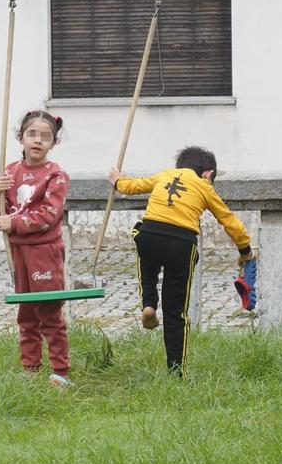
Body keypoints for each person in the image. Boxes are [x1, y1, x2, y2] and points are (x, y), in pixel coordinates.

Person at [109, 146, 254, 377]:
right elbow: (229, 221)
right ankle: (176, 373)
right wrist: (245, 251)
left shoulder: (164, 175)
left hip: (150, 235)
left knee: (145, 252)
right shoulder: (205, 187)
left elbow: (132, 186)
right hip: (181, 244)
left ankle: (148, 304)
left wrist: (117, 180)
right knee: (176, 313)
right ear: (209, 174)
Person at [0, 110, 72, 387]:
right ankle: (30, 367)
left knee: (48, 311)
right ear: (20, 138)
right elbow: (0, 212)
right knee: (25, 312)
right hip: (18, 251)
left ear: (53, 143)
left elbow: (50, 214)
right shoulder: (10, 172)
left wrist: (16, 222)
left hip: (44, 251)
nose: (38, 141)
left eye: (45, 137)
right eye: (32, 135)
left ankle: (61, 370)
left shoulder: (56, 176)